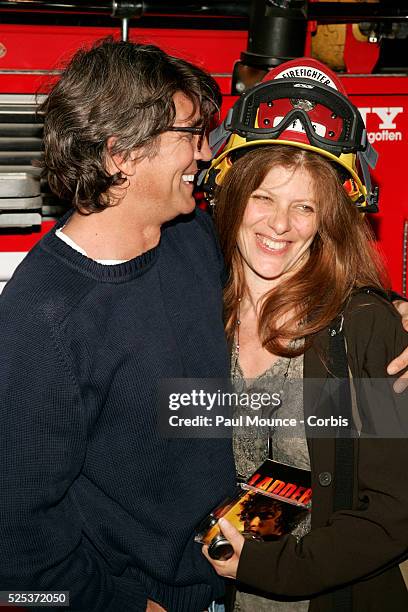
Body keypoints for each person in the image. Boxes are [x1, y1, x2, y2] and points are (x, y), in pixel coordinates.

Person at [0, 38, 237, 611]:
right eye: (189, 135)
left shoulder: (192, 237)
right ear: (119, 155)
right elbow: (12, 539)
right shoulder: (44, 321)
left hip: (235, 577)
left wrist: (389, 313)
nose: (204, 154)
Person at [202, 58, 408, 611]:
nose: (279, 225)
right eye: (264, 198)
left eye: (304, 207)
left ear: (328, 219)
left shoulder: (362, 330)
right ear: (232, 194)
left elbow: (392, 509)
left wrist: (275, 568)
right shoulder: (192, 306)